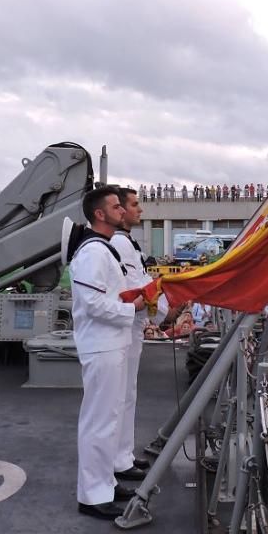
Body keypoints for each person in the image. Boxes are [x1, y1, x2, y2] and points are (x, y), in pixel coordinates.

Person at [70, 186, 146, 521]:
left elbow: (109, 297)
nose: (122, 211)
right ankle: (92, 495)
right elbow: (93, 303)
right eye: (116, 206)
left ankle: (105, 482)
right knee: (99, 420)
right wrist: (133, 308)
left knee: (110, 417)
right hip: (101, 345)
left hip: (112, 343)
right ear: (99, 214)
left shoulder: (104, 250)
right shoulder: (91, 253)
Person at [110, 187, 154, 474]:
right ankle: (117, 459)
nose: (140, 210)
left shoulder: (127, 243)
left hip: (132, 328)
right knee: (121, 396)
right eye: (135, 204)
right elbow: (133, 288)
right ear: (121, 210)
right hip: (125, 327)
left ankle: (123, 454)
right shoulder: (120, 244)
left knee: (129, 395)